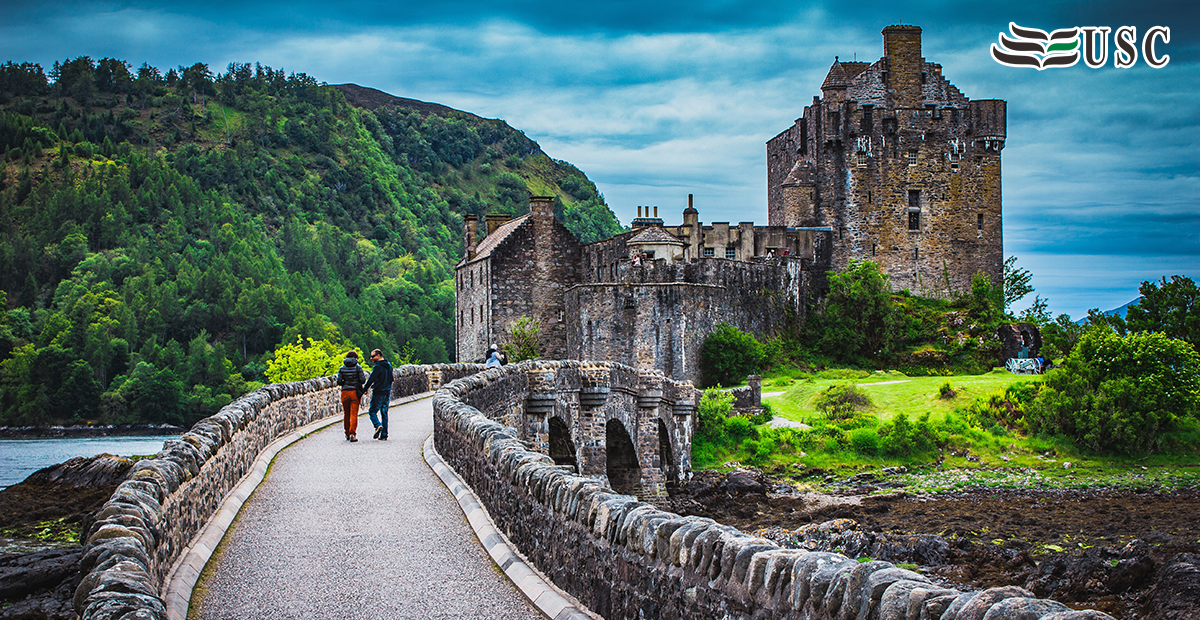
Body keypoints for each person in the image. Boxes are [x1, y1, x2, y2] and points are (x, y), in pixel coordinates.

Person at [335, 351, 367, 442]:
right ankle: (352, 433)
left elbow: (339, 381)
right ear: (355, 358)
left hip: (345, 392)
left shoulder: (342, 368)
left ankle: (346, 433)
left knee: (346, 413)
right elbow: (362, 380)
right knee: (354, 414)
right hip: (354, 392)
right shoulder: (358, 368)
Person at [363, 349, 393, 440]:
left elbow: (371, 379)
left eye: (373, 356)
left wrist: (365, 389)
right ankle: (384, 435)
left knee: (372, 411)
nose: (371, 358)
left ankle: (377, 425)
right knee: (384, 413)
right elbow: (391, 378)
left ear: (379, 355)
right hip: (387, 392)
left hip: (378, 392)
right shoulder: (389, 365)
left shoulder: (378, 367)